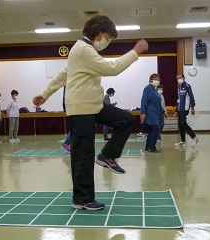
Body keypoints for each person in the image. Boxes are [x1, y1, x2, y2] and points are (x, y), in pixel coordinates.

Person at [33, 15, 148, 210]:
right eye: (109, 37)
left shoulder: (83, 50)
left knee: (125, 119)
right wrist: (135, 52)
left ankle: (107, 156)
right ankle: (82, 199)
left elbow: (64, 73)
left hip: (94, 105)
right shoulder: (84, 49)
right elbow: (111, 68)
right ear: (99, 31)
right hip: (81, 109)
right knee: (82, 155)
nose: (108, 41)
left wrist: (45, 94)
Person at [140, 74, 167, 153]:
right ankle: (152, 147)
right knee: (156, 128)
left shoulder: (155, 90)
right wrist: (142, 112)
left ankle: (148, 146)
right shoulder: (147, 89)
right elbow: (143, 101)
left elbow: (158, 103)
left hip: (157, 112)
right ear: (150, 80)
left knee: (152, 130)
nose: (157, 81)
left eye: (158, 79)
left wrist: (163, 111)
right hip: (151, 113)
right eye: (155, 79)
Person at [174, 73, 199, 147]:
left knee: (183, 123)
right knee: (180, 125)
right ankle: (183, 141)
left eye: (180, 78)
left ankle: (195, 137)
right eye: (177, 78)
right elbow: (178, 100)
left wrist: (192, 107)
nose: (179, 80)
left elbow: (191, 97)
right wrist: (176, 110)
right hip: (180, 109)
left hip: (185, 108)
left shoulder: (187, 86)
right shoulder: (179, 89)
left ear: (184, 78)